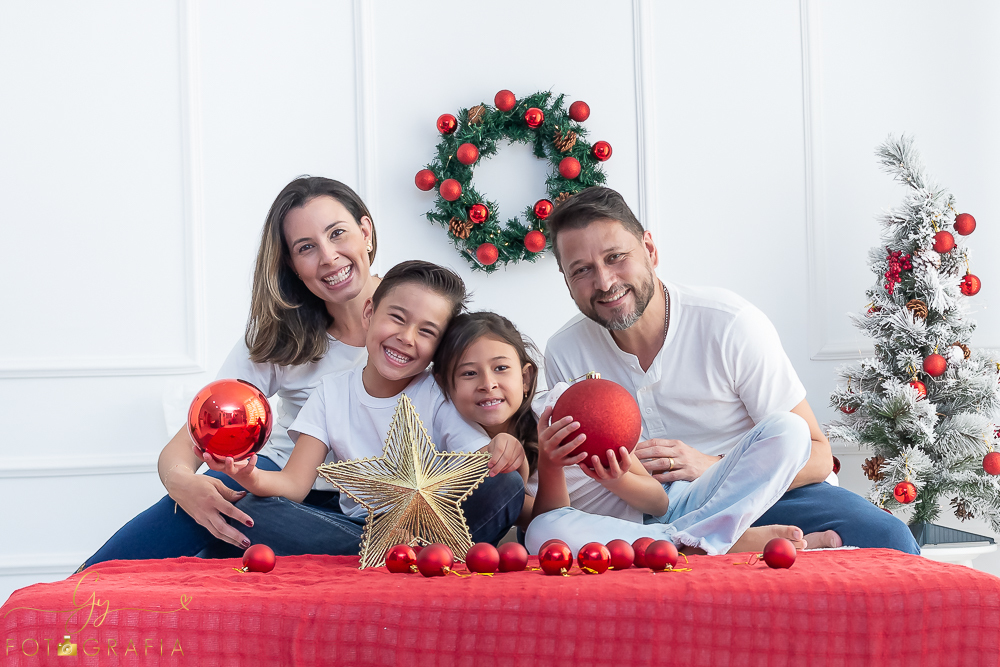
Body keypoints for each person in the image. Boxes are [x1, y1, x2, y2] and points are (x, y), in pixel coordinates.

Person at [531, 186, 920, 555]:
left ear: (649, 250)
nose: (604, 281)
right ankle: (696, 540)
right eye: (581, 270)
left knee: (886, 535)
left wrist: (710, 465)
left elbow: (817, 455)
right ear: (566, 281)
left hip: (762, 493)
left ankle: (696, 539)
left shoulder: (729, 323)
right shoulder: (565, 351)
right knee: (547, 531)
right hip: (645, 509)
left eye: (616, 257)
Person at [83, 176, 380, 567]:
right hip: (277, 482)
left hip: (367, 506)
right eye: (306, 247)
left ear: (366, 232)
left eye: (337, 233)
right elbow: (188, 443)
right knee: (210, 505)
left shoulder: (418, 314)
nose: (328, 257)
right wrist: (183, 485)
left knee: (224, 539)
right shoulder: (282, 332)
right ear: (292, 265)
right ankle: (54, 607)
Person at [199, 261, 525, 554]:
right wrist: (249, 476)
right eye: (397, 318)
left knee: (505, 485)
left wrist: (502, 447)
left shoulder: (436, 392)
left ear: (438, 347)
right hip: (360, 531)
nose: (407, 337)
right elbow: (294, 486)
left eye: (426, 331)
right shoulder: (331, 393)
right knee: (253, 510)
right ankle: (384, 554)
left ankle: (407, 552)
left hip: (430, 521)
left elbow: (487, 474)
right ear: (369, 313)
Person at [434, 311, 807, 556]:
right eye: (469, 374)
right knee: (541, 534)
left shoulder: (568, 406)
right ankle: (716, 541)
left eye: (501, 368)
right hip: (605, 534)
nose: (488, 384)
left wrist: (615, 480)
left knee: (788, 429)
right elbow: (542, 522)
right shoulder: (470, 449)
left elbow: (659, 504)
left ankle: (701, 541)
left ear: (526, 375)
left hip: (672, 510)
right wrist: (549, 464)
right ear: (446, 385)